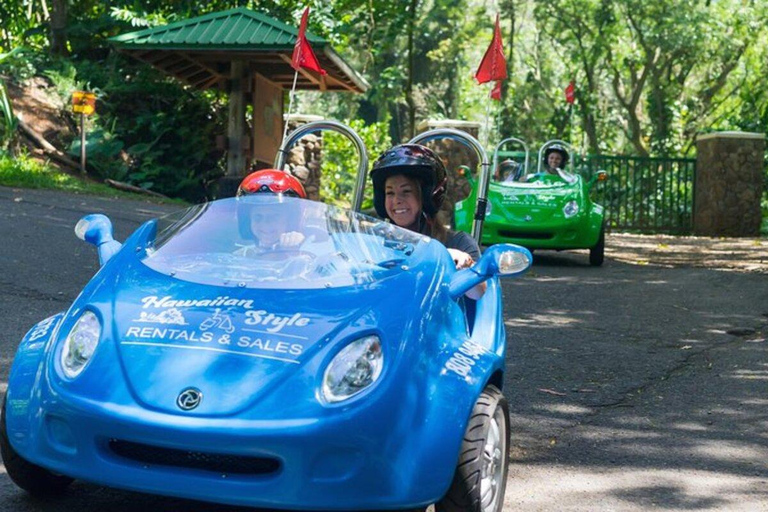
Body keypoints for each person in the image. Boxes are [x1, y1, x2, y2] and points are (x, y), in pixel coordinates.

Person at [370, 144, 486, 300]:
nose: (397, 200)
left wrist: (461, 263)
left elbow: (478, 293)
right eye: (390, 193)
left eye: (406, 191)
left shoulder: (457, 242)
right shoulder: (374, 240)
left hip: (437, 322)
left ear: (426, 196)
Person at [235, 169, 307, 254]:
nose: (265, 224)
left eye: (274, 217)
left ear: (291, 219)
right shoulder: (241, 256)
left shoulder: (306, 251)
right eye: (258, 217)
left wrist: (298, 250)